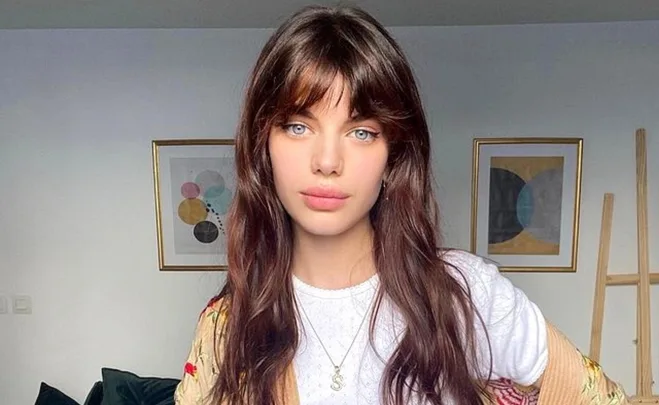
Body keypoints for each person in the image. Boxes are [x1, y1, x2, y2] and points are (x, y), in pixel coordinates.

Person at [174, 5, 628, 405]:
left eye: (361, 131)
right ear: (262, 144)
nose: (327, 161)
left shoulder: (461, 294)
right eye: (297, 126)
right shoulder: (227, 326)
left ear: (394, 154)